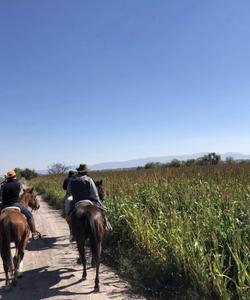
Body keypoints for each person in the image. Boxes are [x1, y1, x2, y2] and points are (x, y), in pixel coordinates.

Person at [0, 170, 41, 239]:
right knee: (29, 215)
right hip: (16, 204)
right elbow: (20, 195)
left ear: (7, 177)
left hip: (4, 205)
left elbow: (1, 196)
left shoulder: (3, 186)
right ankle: (34, 233)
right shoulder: (19, 184)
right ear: (14, 176)